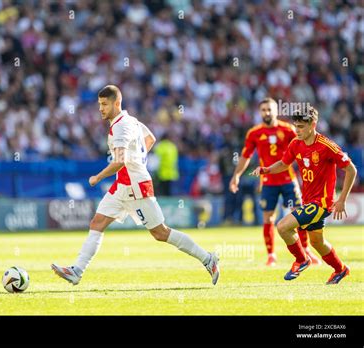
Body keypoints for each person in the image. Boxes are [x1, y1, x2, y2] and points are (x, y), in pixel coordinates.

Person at [51, 85, 219, 285]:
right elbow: (150, 139)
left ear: (117, 103)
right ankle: (77, 271)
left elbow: (120, 160)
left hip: (135, 186)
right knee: (97, 223)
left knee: (161, 233)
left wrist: (98, 177)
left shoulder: (121, 126)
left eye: (105, 104)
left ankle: (208, 259)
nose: (101, 109)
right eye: (99, 105)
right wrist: (138, 158)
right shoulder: (132, 121)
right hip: (123, 184)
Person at [251, 106, 356, 284]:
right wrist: (266, 169)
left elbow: (351, 170)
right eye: (296, 126)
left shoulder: (326, 146)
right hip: (309, 201)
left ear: (312, 124)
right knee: (317, 242)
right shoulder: (295, 144)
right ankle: (341, 269)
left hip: (321, 203)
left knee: (283, 226)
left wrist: (342, 199)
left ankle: (301, 260)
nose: (297, 130)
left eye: (301, 126)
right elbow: (284, 164)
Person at [229, 98, 320, 266]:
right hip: (268, 182)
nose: (267, 113)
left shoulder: (287, 129)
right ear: (259, 112)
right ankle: (271, 255)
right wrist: (236, 175)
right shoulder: (254, 133)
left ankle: (305, 250)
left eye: (270, 109)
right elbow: (246, 156)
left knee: (299, 216)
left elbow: (302, 148)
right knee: (268, 218)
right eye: (263, 110)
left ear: (276, 111)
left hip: (288, 180)